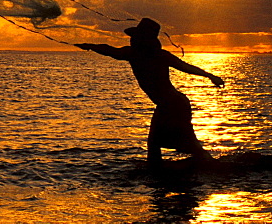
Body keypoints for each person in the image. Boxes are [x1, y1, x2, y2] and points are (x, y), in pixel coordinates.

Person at [76, 17, 224, 165]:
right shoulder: (136, 54)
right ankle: (205, 165)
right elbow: (109, 50)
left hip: (173, 105)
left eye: (135, 37)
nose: (132, 40)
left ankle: (207, 167)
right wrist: (90, 46)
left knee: (162, 142)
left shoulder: (147, 55)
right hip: (171, 104)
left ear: (144, 39)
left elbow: (185, 67)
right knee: (167, 141)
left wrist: (210, 76)